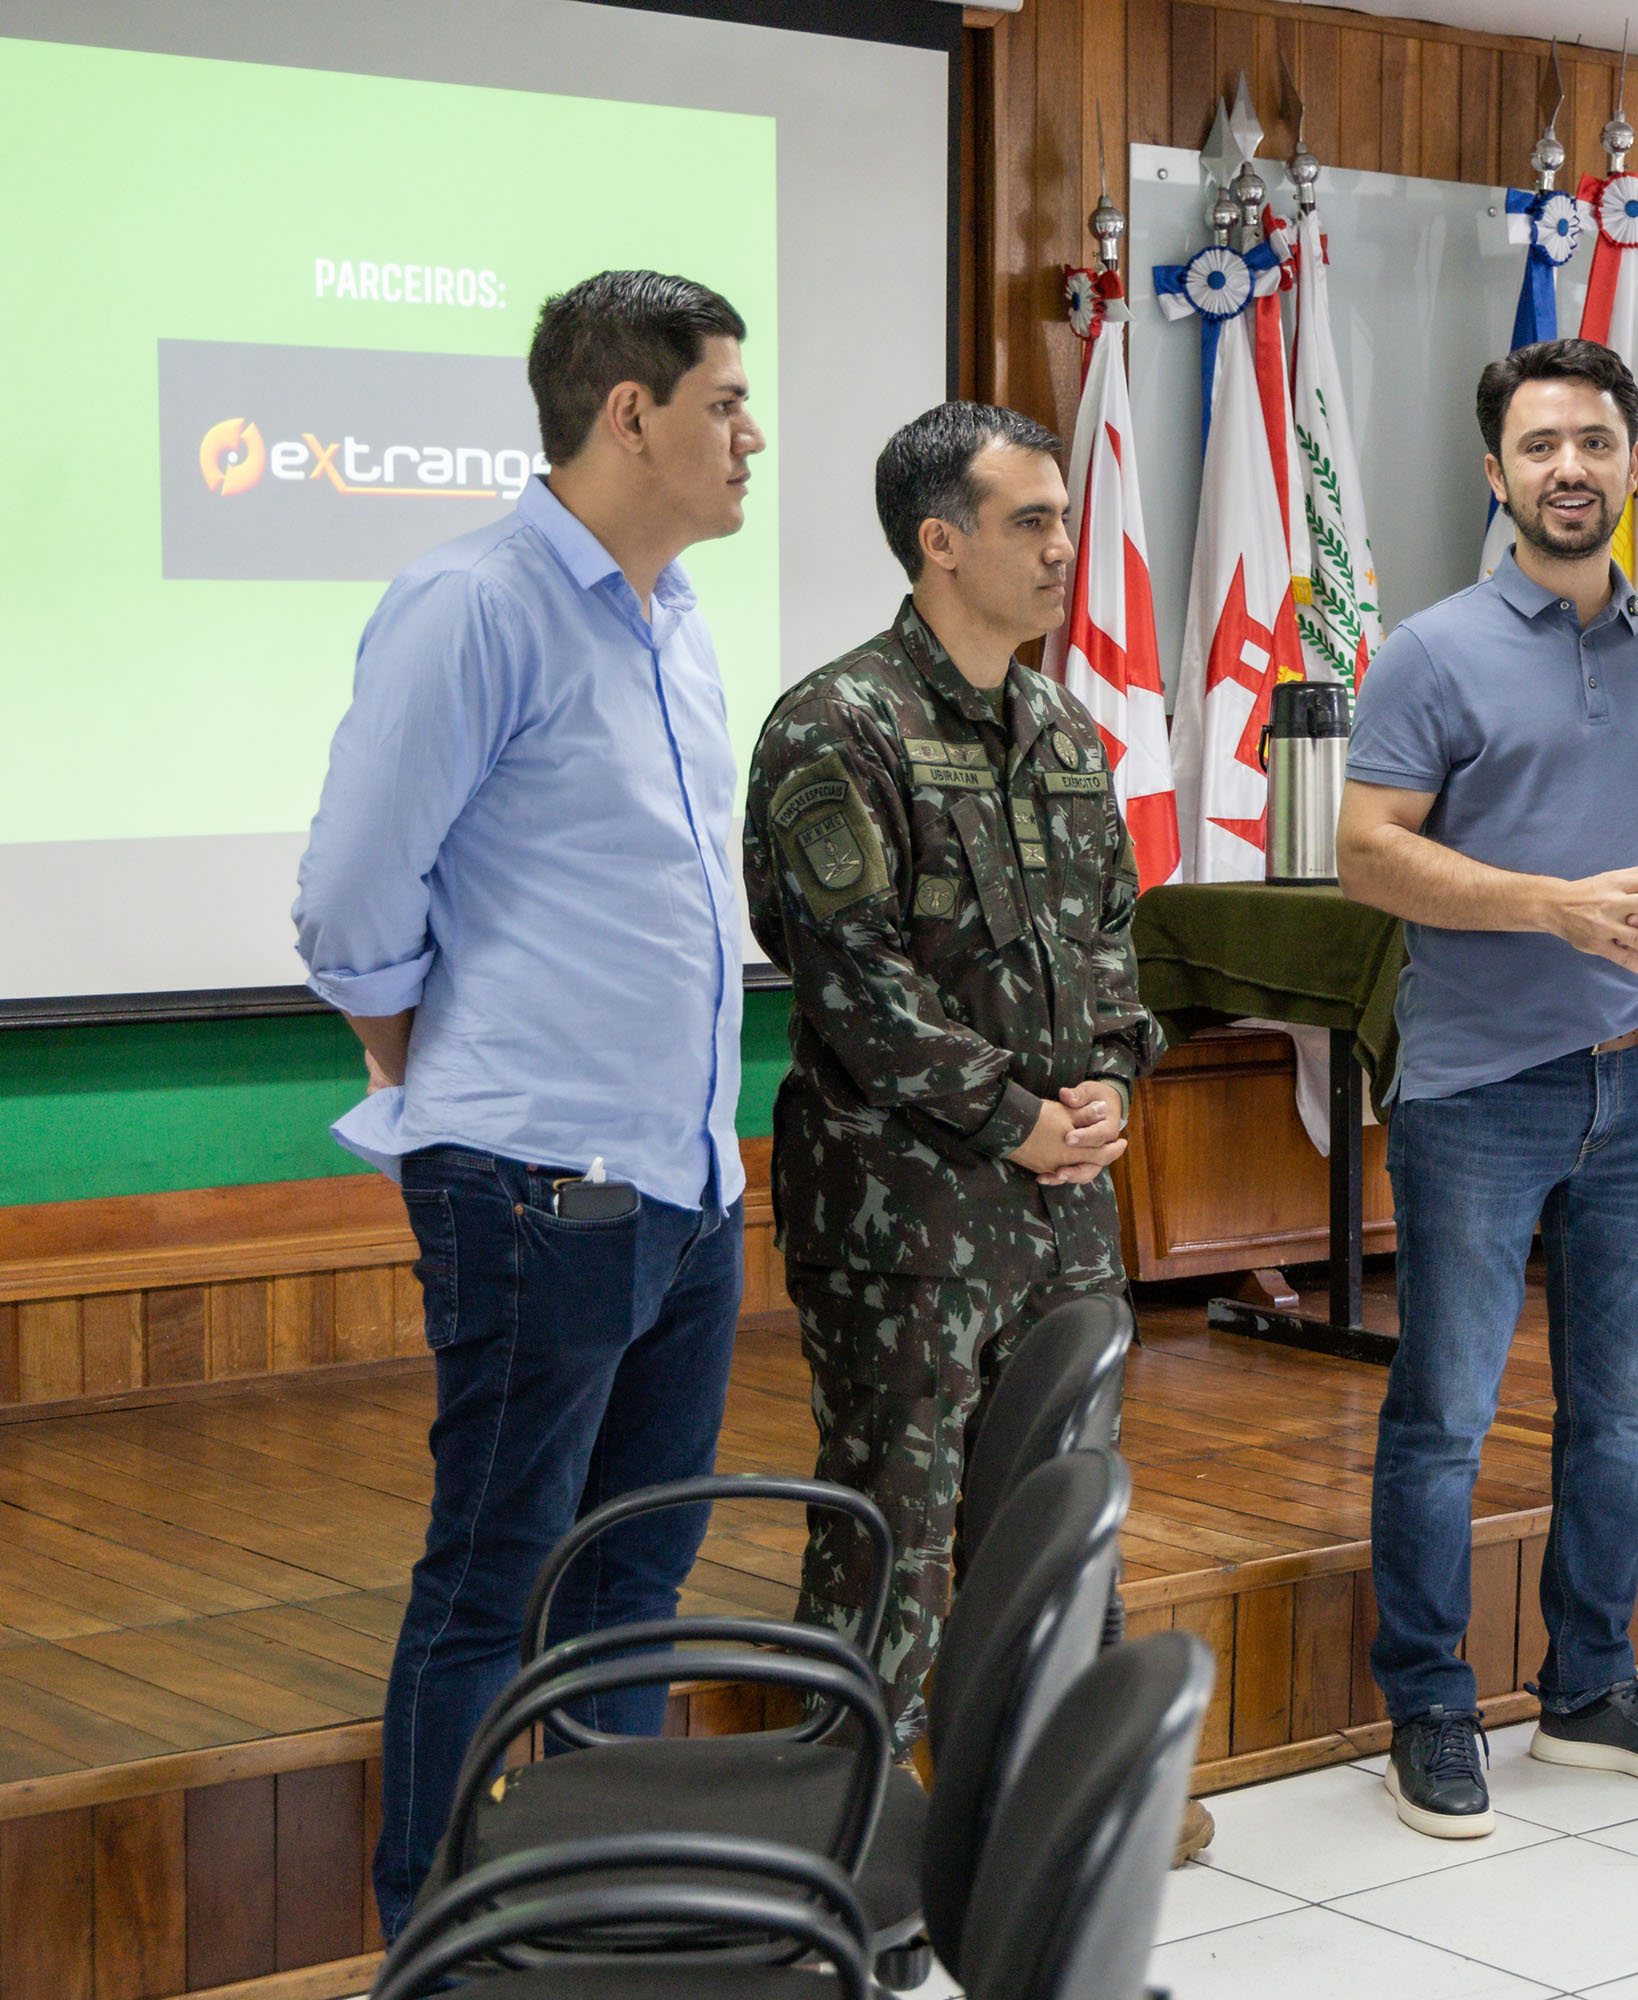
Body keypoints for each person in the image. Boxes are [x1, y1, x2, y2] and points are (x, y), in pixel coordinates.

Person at [293, 270, 764, 1931]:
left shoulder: (678, 619)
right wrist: (410, 1064)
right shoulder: (477, 601)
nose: (750, 435)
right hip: (535, 1181)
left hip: (687, 1182)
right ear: (627, 414)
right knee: (497, 1578)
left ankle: (596, 1914)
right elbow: (354, 889)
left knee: (634, 1583)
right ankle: (442, 1944)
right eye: (723, 402)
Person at [741, 402, 1190, 1843]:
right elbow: (849, 978)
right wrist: (1012, 1117)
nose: (1066, 547)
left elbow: (1116, 937)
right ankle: (845, 1819)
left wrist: (1119, 1073)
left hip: (1063, 1204)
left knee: (1063, 1501)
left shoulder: (1063, 728)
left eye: (1063, 516)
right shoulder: (839, 724)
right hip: (909, 1216)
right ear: (940, 544)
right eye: (1030, 522)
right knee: (895, 1517)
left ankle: (1065, 1790)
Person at [1337, 338, 1638, 1839]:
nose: (1569, 468)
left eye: (1595, 441)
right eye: (1540, 447)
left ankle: (1589, 1686)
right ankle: (1430, 1706)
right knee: (1445, 1414)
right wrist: (1555, 907)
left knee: (1620, 1414)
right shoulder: (1430, 652)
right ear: (1496, 473)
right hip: (1477, 1093)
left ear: (1634, 462)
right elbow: (1369, 852)